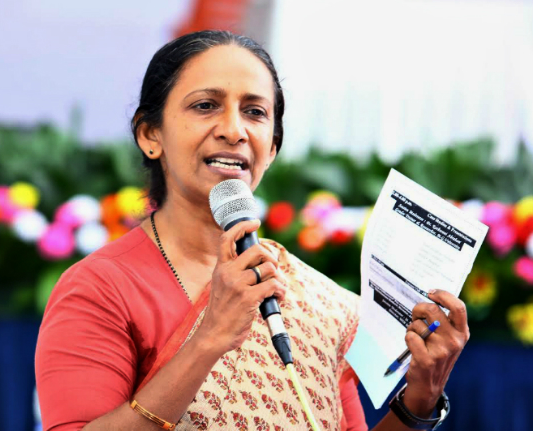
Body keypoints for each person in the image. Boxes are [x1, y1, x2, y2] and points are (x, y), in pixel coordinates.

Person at [35, 30, 469, 430]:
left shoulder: (318, 304)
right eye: (205, 105)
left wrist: (421, 398)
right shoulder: (100, 289)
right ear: (151, 134)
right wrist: (209, 339)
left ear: (273, 147)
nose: (233, 130)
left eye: (255, 112)